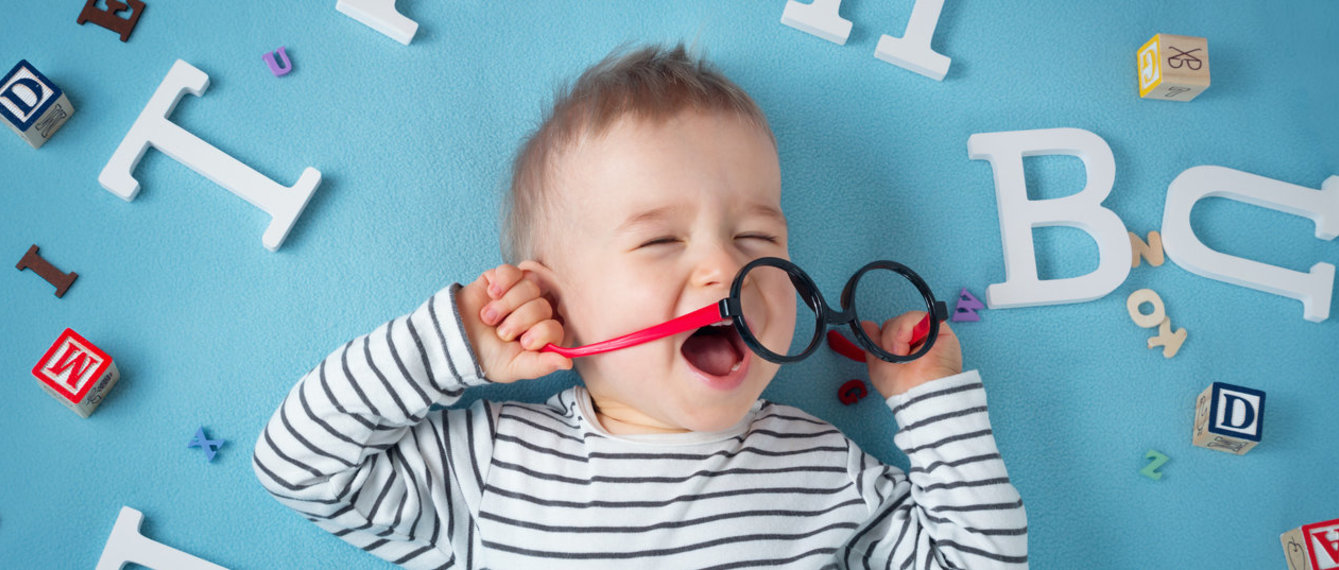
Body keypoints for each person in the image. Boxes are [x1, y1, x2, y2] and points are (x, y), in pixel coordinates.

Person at [253, 43, 1027, 569]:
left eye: (757, 237)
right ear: (549, 299)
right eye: (660, 242)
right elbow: (298, 466)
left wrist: (931, 401)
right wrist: (459, 338)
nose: (725, 265)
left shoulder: (824, 473)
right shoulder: (493, 469)